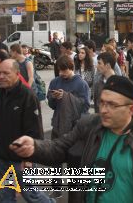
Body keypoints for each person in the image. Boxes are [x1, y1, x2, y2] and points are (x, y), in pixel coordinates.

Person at [10, 75, 133, 202]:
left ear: (131, 109)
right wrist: (34, 147)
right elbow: (60, 147)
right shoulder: (89, 125)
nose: (104, 110)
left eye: (112, 105)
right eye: (102, 102)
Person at [0, 59, 52, 203]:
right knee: (5, 197)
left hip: (21, 159)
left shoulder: (27, 95)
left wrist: (28, 160)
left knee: (32, 196)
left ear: (17, 74)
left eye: (6, 73)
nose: (1, 76)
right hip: (3, 157)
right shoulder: (0, 93)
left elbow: (35, 131)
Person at [47, 55, 90, 198]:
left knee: (74, 161)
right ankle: (56, 188)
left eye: (64, 70)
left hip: (75, 127)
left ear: (71, 68)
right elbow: (51, 105)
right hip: (58, 125)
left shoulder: (81, 84)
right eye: (59, 71)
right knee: (55, 159)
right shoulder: (55, 82)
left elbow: (85, 106)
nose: (61, 74)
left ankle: (76, 191)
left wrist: (66, 96)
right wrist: (54, 97)